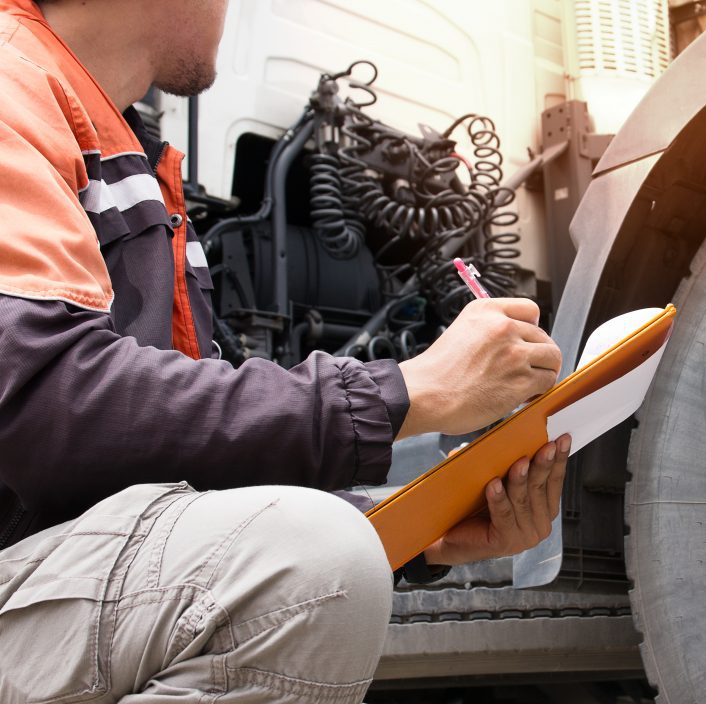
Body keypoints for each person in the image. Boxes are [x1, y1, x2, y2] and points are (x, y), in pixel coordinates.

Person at [0, 0, 570, 701]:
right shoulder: (10, 84)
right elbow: (46, 402)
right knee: (312, 568)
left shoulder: (117, 147)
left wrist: (417, 529)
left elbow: (170, 465)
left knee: (325, 551)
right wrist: (406, 393)